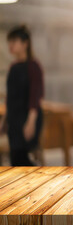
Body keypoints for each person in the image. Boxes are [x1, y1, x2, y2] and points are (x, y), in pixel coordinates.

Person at [0, 25, 44, 166]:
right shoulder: (13, 67)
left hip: (27, 118)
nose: (10, 45)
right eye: (9, 41)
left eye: (14, 41)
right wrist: (5, 120)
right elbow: (10, 97)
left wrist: (31, 121)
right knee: (15, 158)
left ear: (25, 44)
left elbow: (35, 96)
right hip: (14, 119)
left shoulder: (33, 66)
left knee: (21, 158)